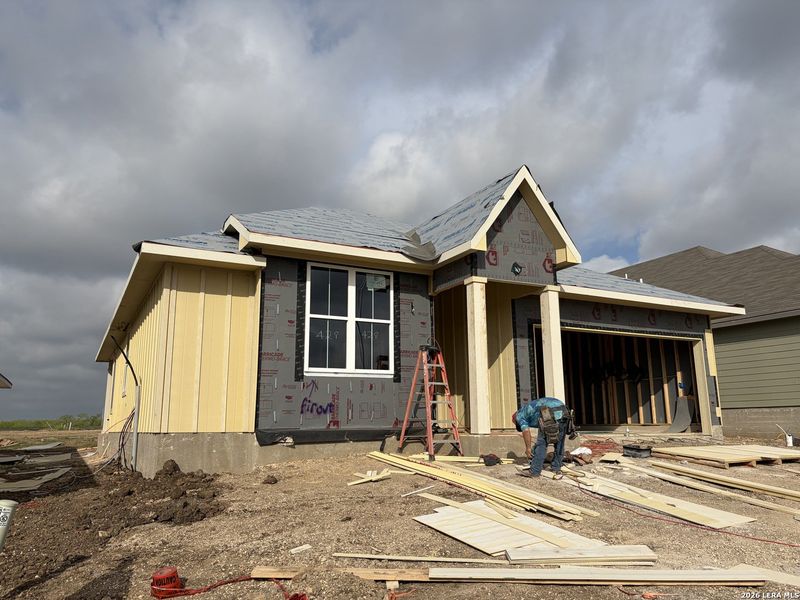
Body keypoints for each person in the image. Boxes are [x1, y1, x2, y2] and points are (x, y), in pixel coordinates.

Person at [513, 396, 569, 479]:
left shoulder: (519, 416)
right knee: (559, 443)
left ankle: (535, 471)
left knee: (542, 444)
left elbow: (526, 431)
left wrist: (528, 449)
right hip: (564, 411)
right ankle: (556, 467)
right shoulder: (528, 410)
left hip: (549, 413)